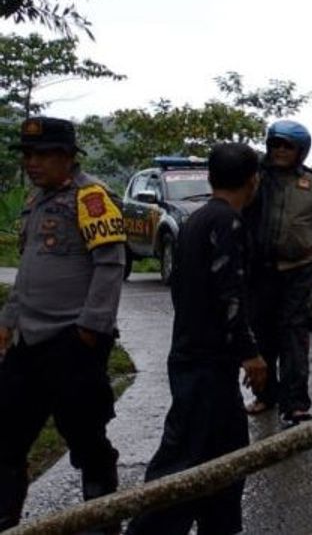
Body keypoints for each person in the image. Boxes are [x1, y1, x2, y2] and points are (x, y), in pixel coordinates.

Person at [126, 143, 268, 535]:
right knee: (183, 455)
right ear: (253, 180)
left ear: (210, 178)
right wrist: (250, 353)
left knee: (226, 452)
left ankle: (220, 525)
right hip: (205, 360)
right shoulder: (226, 223)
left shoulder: (196, 220)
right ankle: (148, 530)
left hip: (195, 352)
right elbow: (230, 295)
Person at [0, 117, 125, 532]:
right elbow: (29, 267)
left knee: (86, 439)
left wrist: (91, 329)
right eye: (28, 156)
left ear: (67, 158)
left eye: (42, 155)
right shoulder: (36, 202)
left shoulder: (90, 198)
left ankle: (103, 516)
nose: (33, 164)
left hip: (72, 342)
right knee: (7, 436)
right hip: (29, 342)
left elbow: (110, 266)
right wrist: (9, 320)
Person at [242, 120, 312, 428]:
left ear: (300, 151)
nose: (280, 151)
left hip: (300, 273)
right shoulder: (255, 178)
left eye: (288, 146)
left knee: (294, 339)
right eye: (276, 145)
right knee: (263, 335)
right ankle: (266, 395)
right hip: (262, 272)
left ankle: (296, 405)